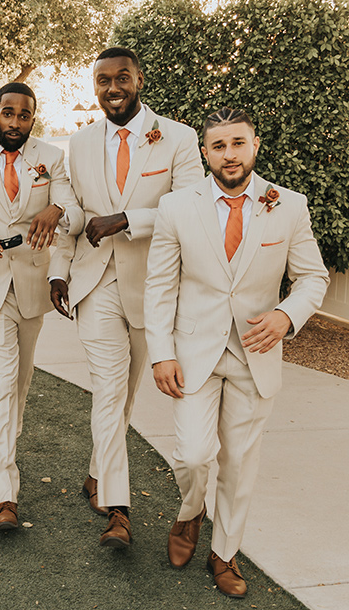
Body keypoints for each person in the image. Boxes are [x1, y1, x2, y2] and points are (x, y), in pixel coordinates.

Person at [145, 107, 328, 598]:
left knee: (241, 464)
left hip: (257, 355)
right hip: (193, 354)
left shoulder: (288, 204)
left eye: (238, 144)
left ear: (255, 145)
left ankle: (223, 553)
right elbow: (160, 286)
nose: (230, 155)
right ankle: (190, 513)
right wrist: (161, 351)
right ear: (205, 152)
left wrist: (287, 315)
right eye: (219, 146)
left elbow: (313, 277)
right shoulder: (176, 207)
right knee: (193, 455)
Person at [48, 46, 204, 548]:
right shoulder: (81, 141)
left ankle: (98, 470)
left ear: (139, 80)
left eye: (121, 79)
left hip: (156, 287)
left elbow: (194, 210)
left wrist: (128, 221)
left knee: (127, 393)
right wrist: (58, 271)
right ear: (94, 86)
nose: (111, 89)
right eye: (102, 81)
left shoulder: (178, 138)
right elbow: (71, 209)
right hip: (95, 284)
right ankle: (118, 509)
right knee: (109, 391)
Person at [0, 83, 83, 529]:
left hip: (31, 284)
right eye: (8, 112)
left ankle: (3, 451)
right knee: (2, 382)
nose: (15, 122)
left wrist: (57, 211)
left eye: (24, 115)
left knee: (21, 384)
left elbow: (74, 209)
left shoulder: (50, 158)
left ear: (34, 117)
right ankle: (5, 495)